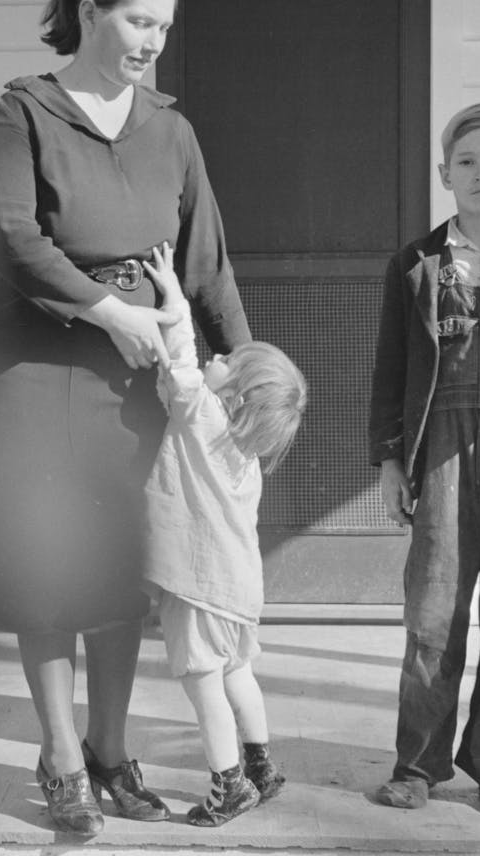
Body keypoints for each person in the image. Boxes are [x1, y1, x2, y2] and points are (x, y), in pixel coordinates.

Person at [0, 0, 252, 836]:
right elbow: (11, 235)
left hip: (134, 372)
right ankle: (59, 759)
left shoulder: (170, 129)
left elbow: (205, 259)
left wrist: (241, 362)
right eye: (137, 21)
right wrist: (109, 310)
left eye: (163, 27)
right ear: (89, 12)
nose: (152, 42)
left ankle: (110, 752)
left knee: (126, 556)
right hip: (33, 363)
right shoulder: (22, 112)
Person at [369, 102, 480, 816]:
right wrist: (392, 460)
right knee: (432, 613)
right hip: (443, 448)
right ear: (445, 173)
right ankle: (417, 765)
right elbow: (391, 369)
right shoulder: (416, 264)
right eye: (468, 161)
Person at [140, 243, 306, 827]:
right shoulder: (246, 457)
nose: (218, 358)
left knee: (203, 685)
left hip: (199, 587)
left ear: (232, 396)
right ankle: (262, 766)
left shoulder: (205, 418)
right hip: (239, 589)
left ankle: (228, 785)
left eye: (227, 363)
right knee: (239, 674)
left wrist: (174, 298)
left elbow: (183, 362)